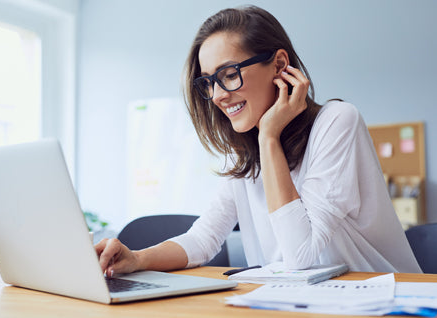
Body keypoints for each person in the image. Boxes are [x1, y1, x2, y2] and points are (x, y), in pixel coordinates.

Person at [95, 5, 422, 276]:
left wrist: (269, 136)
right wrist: (137, 259)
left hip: (387, 305)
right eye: (209, 82)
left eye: (229, 74)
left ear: (280, 64)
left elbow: (301, 257)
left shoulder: (337, 122)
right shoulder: (245, 156)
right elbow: (203, 238)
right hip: (298, 305)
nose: (219, 96)